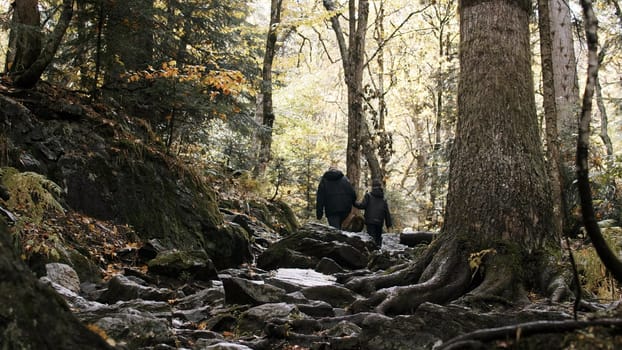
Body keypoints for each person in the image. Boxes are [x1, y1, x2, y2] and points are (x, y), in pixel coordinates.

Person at [354, 179, 392, 248]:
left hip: (370, 221)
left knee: (371, 239)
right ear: (380, 187)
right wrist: (388, 225)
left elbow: (362, 206)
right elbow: (387, 213)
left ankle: (372, 254)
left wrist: (353, 202)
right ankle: (378, 254)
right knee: (378, 239)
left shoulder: (368, 195)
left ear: (372, 186)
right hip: (379, 222)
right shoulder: (383, 199)